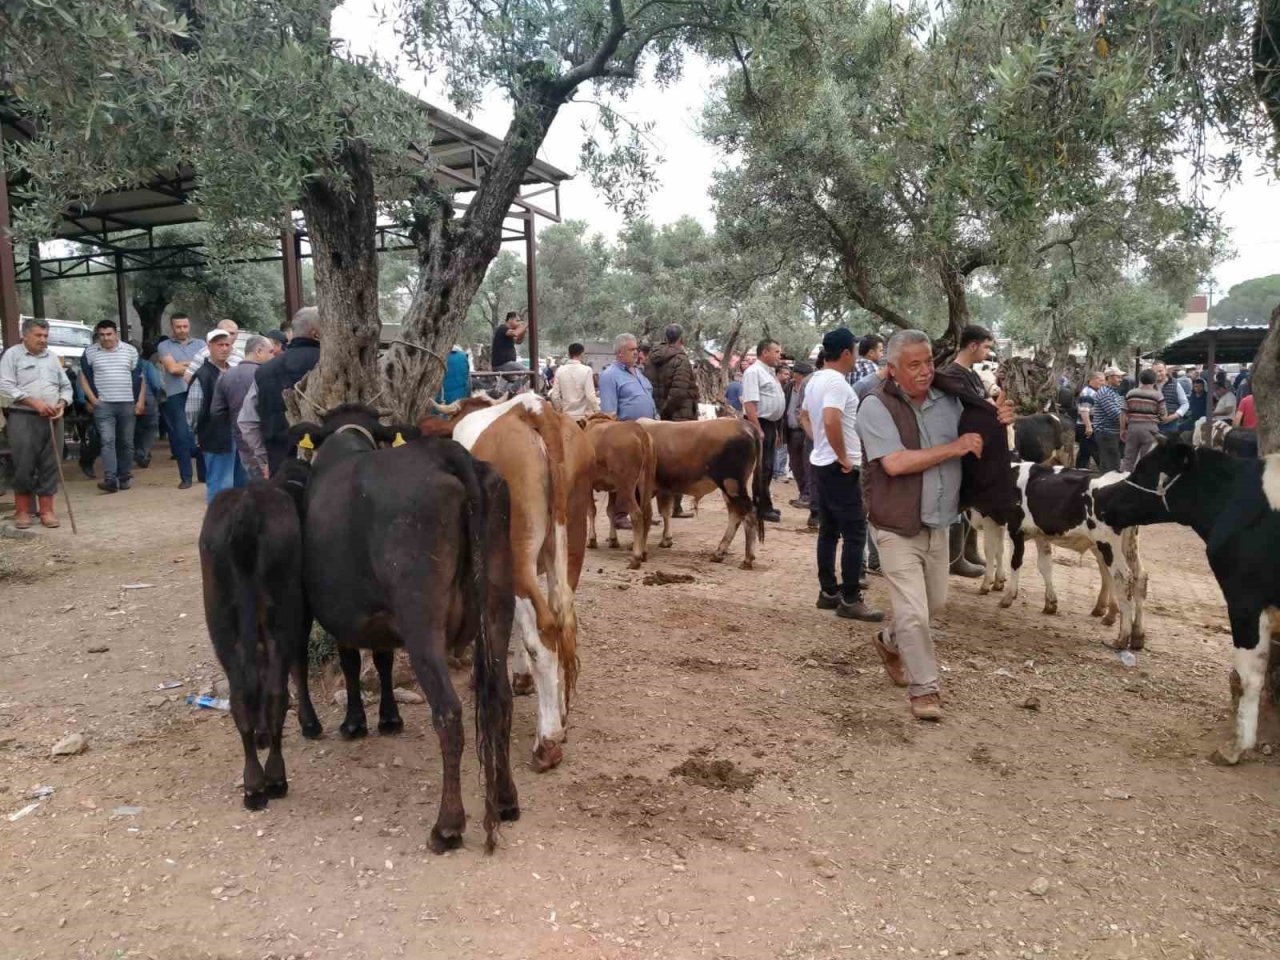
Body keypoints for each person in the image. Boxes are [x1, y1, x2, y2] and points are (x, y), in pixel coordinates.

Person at [856, 329, 1011, 721]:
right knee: (913, 613)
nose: (926, 371)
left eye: (928, 362)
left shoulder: (951, 400)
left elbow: (979, 430)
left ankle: (889, 642)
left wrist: (997, 422)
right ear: (891, 370)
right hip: (895, 525)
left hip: (940, 522)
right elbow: (895, 463)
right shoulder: (875, 407)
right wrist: (954, 448)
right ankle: (924, 689)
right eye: (914, 365)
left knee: (934, 605)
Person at [805, 328, 884, 623]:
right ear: (847, 352)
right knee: (854, 533)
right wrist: (842, 456)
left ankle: (828, 592)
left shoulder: (815, 380)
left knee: (828, 531)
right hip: (840, 467)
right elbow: (831, 418)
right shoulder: (837, 382)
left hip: (822, 463)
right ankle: (850, 598)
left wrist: (822, 445)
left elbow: (805, 417)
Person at [0, 317, 73, 527]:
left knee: (51, 464)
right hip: (23, 417)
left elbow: (66, 386)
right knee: (24, 464)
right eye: (38, 335)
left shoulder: (52, 357)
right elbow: (4, 385)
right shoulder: (12, 355)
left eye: (45, 336)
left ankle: (47, 511)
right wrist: (34, 403)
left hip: (53, 419)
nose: (43, 340)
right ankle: (23, 511)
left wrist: (61, 403)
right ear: (25, 335)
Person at [935, 324, 995, 578]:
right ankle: (954, 558)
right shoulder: (953, 375)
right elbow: (976, 405)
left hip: (972, 445)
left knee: (970, 501)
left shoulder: (969, 374)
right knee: (957, 503)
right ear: (972, 345)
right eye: (986, 346)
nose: (988, 352)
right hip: (957, 444)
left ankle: (966, 552)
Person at [256, 306, 322, 475]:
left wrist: (263, 459)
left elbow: (247, 421)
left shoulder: (264, 371)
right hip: (325, 460)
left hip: (280, 461)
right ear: (316, 333)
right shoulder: (332, 365)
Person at [599, 333, 656, 530]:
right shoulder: (609, 376)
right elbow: (609, 413)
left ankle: (640, 510)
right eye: (632, 350)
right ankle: (620, 514)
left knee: (642, 475)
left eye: (636, 349)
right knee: (625, 476)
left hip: (647, 431)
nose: (636, 353)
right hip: (625, 435)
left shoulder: (638, 373)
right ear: (619, 353)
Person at [80, 319, 143, 493]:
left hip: (127, 402)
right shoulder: (90, 352)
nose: (106, 338)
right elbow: (83, 377)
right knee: (107, 441)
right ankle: (110, 479)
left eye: (109, 334)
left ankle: (124, 476)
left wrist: (140, 401)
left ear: (116, 334)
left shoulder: (130, 351)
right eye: (102, 335)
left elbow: (140, 377)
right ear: (97, 335)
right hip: (104, 405)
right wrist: (93, 400)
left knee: (127, 443)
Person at [192, 329, 244, 503]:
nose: (224, 348)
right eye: (219, 344)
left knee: (241, 483)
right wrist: (199, 433)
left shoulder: (234, 372)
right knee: (221, 485)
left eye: (227, 344)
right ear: (209, 347)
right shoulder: (202, 375)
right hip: (215, 436)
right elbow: (192, 410)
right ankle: (219, 523)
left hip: (238, 434)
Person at [212, 335, 273, 481]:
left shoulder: (226, 376)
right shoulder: (266, 375)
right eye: (270, 352)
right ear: (258, 351)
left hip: (241, 442)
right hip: (265, 443)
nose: (273, 356)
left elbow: (216, 412)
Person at [155, 313, 204, 488]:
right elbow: (172, 368)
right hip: (176, 395)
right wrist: (193, 364)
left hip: (199, 393)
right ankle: (186, 477)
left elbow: (205, 366)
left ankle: (203, 474)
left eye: (185, 326)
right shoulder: (164, 345)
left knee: (202, 433)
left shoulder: (201, 344)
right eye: (178, 327)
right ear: (172, 327)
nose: (182, 330)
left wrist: (182, 364)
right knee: (182, 436)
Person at [742, 338, 786, 523]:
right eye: (776, 352)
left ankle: (764, 504)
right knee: (762, 467)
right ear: (764, 352)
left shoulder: (769, 372)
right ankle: (761, 507)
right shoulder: (754, 372)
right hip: (759, 423)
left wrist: (774, 430)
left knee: (768, 467)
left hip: (770, 424)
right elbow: (750, 402)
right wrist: (757, 428)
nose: (779, 355)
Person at [1120, 369, 1166, 471]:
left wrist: (1122, 429)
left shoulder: (1130, 393)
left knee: (1128, 458)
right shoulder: (1158, 395)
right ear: (1154, 381)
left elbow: (1123, 413)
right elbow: (1163, 416)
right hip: (1150, 429)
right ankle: (1141, 483)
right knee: (1147, 459)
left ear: (1140, 379)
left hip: (1132, 427)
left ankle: (1123, 480)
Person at [786, 360, 814, 510]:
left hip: (804, 430)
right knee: (795, 464)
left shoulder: (809, 386)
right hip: (791, 431)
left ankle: (808, 495)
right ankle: (803, 493)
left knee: (807, 463)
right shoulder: (789, 387)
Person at [549, 342, 601, 418]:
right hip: (583, 417)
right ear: (582, 354)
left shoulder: (560, 370)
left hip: (566, 417)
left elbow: (555, 396)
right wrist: (597, 410)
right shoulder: (587, 370)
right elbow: (590, 396)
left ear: (569, 354)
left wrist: (560, 410)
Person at [133, 343, 164, 469]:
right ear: (140, 352)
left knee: (133, 429)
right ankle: (143, 453)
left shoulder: (120, 365)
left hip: (128, 401)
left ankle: (137, 452)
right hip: (148, 400)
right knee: (150, 428)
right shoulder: (147, 365)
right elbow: (157, 384)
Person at [1091, 368, 1125, 473]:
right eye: (1118, 377)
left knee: (1112, 462)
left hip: (1113, 432)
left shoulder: (1114, 392)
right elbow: (1116, 414)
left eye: (1121, 377)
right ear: (1109, 378)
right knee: (1111, 464)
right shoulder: (1105, 393)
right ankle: (1107, 487)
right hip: (1106, 432)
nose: (1121, 380)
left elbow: (1122, 410)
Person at [1152, 362, 1188, 436]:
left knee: (1169, 446)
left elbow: (1185, 403)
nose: (1158, 374)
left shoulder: (1175, 384)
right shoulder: (1149, 385)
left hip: (1170, 424)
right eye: (1155, 372)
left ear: (1166, 370)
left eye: (1160, 371)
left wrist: (1174, 416)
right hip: (1152, 424)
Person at [1075, 372, 1102, 469]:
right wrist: (1088, 426)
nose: (1102, 383)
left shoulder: (1094, 391)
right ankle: (1079, 471)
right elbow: (1084, 411)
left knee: (1087, 451)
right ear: (1092, 379)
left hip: (1090, 425)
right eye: (1100, 380)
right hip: (1086, 426)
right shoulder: (1088, 393)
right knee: (1086, 452)